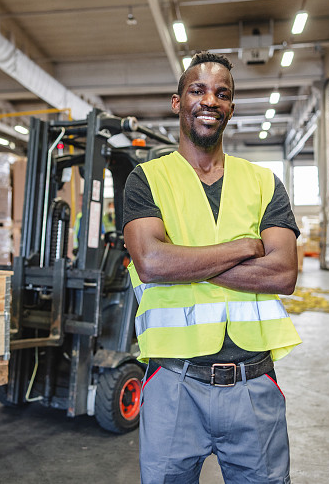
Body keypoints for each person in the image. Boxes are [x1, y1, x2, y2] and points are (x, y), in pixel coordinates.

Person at [123, 51, 302, 484]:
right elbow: (151, 262)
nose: (210, 100)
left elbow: (282, 274)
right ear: (177, 101)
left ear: (231, 109)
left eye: (222, 94)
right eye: (198, 90)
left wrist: (184, 261)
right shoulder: (146, 179)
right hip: (173, 385)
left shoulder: (263, 182)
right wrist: (244, 246)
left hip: (253, 383)